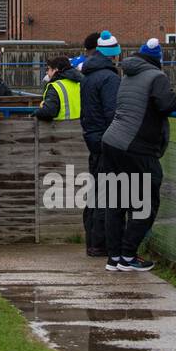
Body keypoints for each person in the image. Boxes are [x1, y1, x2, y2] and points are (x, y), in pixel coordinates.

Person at [99, 38, 176, 272]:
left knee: (116, 202)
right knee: (147, 201)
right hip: (136, 147)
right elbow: (165, 105)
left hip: (112, 141)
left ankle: (114, 257)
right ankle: (128, 255)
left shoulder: (127, 75)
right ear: (158, 60)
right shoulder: (157, 77)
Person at [77, 30, 122, 258]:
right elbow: (113, 113)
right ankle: (101, 243)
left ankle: (93, 241)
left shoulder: (88, 75)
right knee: (107, 194)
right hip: (106, 139)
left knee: (96, 192)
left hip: (92, 137)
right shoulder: (110, 78)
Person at [34, 55, 84, 121]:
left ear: (55, 70)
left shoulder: (55, 86)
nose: (47, 72)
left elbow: (49, 112)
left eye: (48, 69)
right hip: (82, 127)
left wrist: (36, 113)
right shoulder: (80, 83)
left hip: (61, 129)